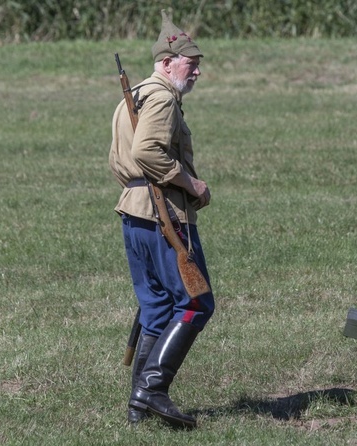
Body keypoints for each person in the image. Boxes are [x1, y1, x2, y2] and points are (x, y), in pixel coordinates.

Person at [109, 10, 215, 429]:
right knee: (195, 303)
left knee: (155, 309)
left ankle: (138, 409)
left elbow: (119, 162)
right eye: (191, 63)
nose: (197, 72)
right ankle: (151, 389)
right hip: (163, 217)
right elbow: (147, 152)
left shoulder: (131, 97)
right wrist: (190, 184)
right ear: (168, 62)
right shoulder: (163, 97)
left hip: (134, 215)